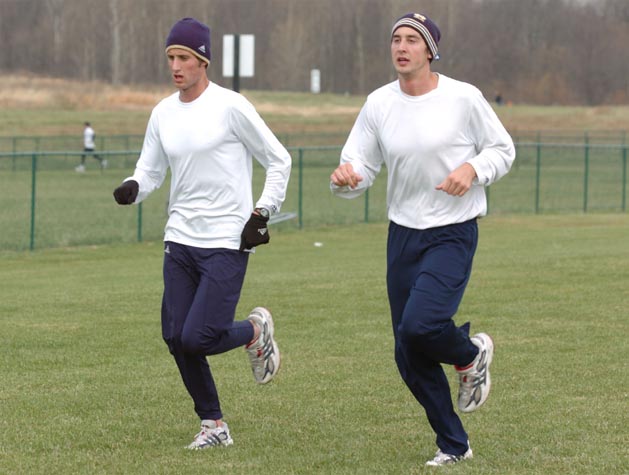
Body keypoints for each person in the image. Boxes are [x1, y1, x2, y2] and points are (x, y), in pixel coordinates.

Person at [330, 13, 515, 467]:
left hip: (452, 232)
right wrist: (346, 178)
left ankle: (471, 354)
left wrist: (472, 170)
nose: (402, 46)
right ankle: (454, 444)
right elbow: (359, 166)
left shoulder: (463, 97)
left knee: (419, 326)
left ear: (430, 50)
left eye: (412, 40)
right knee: (407, 352)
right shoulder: (378, 103)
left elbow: (502, 149)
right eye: (396, 39)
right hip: (403, 235)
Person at [112, 17, 291, 449]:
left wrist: (262, 212)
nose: (175, 66)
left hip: (227, 241)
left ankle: (252, 331)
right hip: (179, 240)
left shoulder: (232, 106)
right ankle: (214, 425)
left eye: (184, 58)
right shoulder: (162, 113)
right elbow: (151, 170)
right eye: (171, 57)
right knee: (175, 337)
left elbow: (278, 160)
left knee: (199, 337)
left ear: (203, 61)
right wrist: (134, 188)